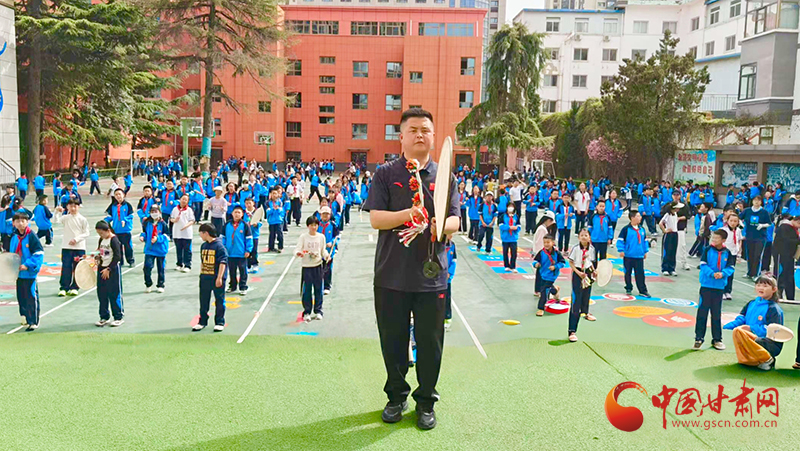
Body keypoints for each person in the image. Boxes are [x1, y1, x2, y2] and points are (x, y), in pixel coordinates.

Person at [361, 108, 460, 431]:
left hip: (432, 277)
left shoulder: (445, 176)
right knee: (393, 341)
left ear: (433, 136)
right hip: (391, 275)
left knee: (430, 344)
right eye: (413, 129)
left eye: (425, 130)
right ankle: (396, 397)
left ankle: (426, 401)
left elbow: (456, 220)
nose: (420, 135)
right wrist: (409, 215)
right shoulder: (385, 174)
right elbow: (376, 218)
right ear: (401, 136)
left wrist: (440, 225)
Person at [724, 276, 784, 371]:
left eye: (765, 286)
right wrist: (726, 327)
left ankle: (767, 359)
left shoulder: (774, 309)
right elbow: (741, 319)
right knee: (737, 331)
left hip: (769, 343)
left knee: (739, 332)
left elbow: (774, 330)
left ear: (774, 289)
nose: (760, 288)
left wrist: (751, 328)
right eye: (758, 285)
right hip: (752, 338)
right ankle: (752, 360)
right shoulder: (751, 303)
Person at [693, 229, 735, 351]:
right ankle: (698, 338)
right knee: (702, 312)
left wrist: (723, 274)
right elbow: (703, 264)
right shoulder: (707, 250)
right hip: (706, 285)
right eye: (713, 237)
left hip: (719, 287)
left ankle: (717, 339)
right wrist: (712, 274)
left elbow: (731, 267)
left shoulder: (728, 253)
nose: (714, 240)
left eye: (717, 238)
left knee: (716, 313)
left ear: (723, 240)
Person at [11, 212, 44, 330]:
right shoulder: (14, 237)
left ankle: (33, 321)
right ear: (13, 223)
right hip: (18, 273)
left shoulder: (31, 236)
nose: (20, 223)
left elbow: (39, 253)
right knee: (21, 297)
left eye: (23, 221)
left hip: (29, 273)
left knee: (31, 296)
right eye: (17, 221)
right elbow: (11, 254)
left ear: (27, 222)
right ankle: (24, 317)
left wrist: (27, 264)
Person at [194, 223, 228, 332]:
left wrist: (219, 278)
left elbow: (223, 263)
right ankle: (202, 321)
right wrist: (201, 273)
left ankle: (219, 322)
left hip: (216, 277)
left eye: (201, 233)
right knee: (203, 300)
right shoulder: (203, 246)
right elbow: (203, 261)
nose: (200, 236)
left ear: (206, 233)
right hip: (205, 277)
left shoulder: (219, 246)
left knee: (219, 300)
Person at [296, 215, 329, 322]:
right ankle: (307, 312)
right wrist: (299, 253)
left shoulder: (321, 237)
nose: (313, 227)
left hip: (318, 266)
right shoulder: (303, 237)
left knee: (318, 289)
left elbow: (323, 250)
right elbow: (297, 249)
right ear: (308, 226)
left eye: (315, 225)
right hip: (306, 267)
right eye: (311, 225)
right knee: (307, 291)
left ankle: (318, 311)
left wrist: (327, 256)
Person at [55, 199, 90, 297]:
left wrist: (76, 239)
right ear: (67, 207)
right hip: (66, 247)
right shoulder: (65, 218)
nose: (73, 208)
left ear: (79, 207)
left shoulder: (82, 219)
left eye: (75, 206)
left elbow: (86, 232)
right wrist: (56, 212)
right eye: (71, 206)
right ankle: (64, 287)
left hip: (79, 247)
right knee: (66, 267)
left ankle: (75, 287)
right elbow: (55, 221)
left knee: (78, 268)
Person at [93, 221, 125, 327]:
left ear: (108, 230)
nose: (100, 235)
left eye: (101, 233)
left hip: (112, 270)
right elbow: (101, 252)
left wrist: (109, 269)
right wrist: (97, 257)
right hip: (101, 268)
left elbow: (118, 256)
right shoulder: (101, 240)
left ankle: (118, 317)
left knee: (114, 293)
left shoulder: (114, 240)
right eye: (99, 233)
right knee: (102, 294)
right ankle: (104, 317)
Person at [567, 228, 596, 342]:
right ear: (578, 237)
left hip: (587, 273)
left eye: (586, 235)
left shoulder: (592, 249)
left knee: (586, 296)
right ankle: (572, 331)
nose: (584, 237)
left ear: (589, 237)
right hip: (578, 273)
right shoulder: (575, 249)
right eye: (582, 235)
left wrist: (593, 270)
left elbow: (590, 261)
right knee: (576, 302)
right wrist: (578, 273)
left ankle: (586, 313)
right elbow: (571, 262)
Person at [616, 210, 651, 297]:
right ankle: (628, 287)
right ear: (632, 218)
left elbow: (645, 241)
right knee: (627, 273)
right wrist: (621, 250)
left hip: (639, 256)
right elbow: (620, 240)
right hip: (628, 255)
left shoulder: (642, 229)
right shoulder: (626, 229)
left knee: (640, 274)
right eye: (638, 216)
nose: (640, 218)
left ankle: (642, 290)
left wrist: (645, 251)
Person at [223, 206, 253, 295]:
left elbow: (249, 239)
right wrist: (223, 248)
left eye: (239, 212)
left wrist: (248, 250)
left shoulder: (245, 225)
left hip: (241, 253)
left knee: (243, 271)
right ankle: (232, 286)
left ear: (242, 214)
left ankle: (243, 287)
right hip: (230, 253)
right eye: (235, 212)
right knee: (232, 271)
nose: (237, 214)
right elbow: (222, 237)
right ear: (232, 213)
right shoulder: (227, 225)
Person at [533, 234, 566, 316]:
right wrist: (536, 264)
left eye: (548, 242)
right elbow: (535, 261)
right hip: (542, 274)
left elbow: (562, 263)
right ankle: (555, 290)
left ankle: (541, 308)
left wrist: (555, 267)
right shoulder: (541, 252)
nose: (546, 244)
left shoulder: (557, 253)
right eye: (544, 242)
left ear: (553, 242)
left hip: (552, 275)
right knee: (547, 288)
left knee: (544, 291)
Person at [740, 195, 771, 280]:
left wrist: (762, 225)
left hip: (760, 237)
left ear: (761, 202)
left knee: (757, 255)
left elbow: (769, 223)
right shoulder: (747, 211)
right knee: (750, 255)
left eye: (758, 200)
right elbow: (739, 218)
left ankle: (756, 274)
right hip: (749, 236)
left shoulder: (764, 212)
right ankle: (749, 273)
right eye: (755, 200)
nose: (756, 202)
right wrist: (741, 225)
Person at [140, 204, 169, 293]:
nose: (154, 213)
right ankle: (148, 284)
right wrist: (142, 236)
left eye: (156, 211)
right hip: (150, 249)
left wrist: (158, 238)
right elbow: (144, 232)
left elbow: (167, 236)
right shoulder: (146, 223)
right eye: (152, 212)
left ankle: (160, 285)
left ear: (159, 212)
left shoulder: (163, 223)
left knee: (161, 268)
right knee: (147, 267)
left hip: (160, 249)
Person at [104, 189, 136, 267]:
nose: (118, 196)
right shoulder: (113, 206)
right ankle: (120, 261)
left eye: (119, 194)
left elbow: (131, 215)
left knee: (128, 247)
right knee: (118, 248)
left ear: (123, 195)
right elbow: (110, 216)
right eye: (116, 194)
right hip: (116, 230)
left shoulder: (127, 205)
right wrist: (105, 221)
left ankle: (130, 260)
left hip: (125, 230)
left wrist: (125, 220)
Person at [773, 214, 800, 301]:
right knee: (780, 274)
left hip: (789, 255)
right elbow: (786, 240)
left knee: (789, 275)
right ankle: (777, 293)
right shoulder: (784, 227)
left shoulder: (794, 229)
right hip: (781, 254)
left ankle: (790, 296)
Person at [170, 193, 195, 272]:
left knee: (187, 250)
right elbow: (171, 219)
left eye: (186, 200)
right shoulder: (175, 209)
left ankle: (187, 265)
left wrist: (186, 226)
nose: (184, 201)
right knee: (179, 249)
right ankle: (179, 264)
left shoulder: (189, 210)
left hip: (187, 233)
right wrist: (174, 220)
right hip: (177, 232)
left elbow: (192, 220)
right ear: (180, 199)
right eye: (183, 199)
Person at [721, 213, 743, 300]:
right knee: (723, 272)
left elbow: (739, 240)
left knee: (730, 273)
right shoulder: (723, 230)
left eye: (735, 221)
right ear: (727, 221)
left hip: (733, 254)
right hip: (724, 253)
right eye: (731, 221)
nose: (733, 223)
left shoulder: (738, 231)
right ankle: (722, 291)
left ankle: (728, 291)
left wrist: (739, 252)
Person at [317, 206, 338, 294]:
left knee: (327, 269)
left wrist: (332, 242)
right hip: (318, 250)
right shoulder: (317, 225)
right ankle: (318, 285)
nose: (325, 216)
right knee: (318, 269)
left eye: (327, 214)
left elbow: (336, 237)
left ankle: (327, 286)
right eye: (323, 214)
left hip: (329, 251)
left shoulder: (333, 225)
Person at [659, 203, 680, 276]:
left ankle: (672, 268)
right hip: (669, 234)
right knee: (667, 251)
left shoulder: (676, 214)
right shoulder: (667, 215)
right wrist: (665, 230)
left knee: (673, 251)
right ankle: (665, 268)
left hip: (675, 234)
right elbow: (660, 223)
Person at [499, 202, 520, 272]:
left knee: (514, 253)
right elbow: (501, 226)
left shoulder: (516, 216)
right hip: (505, 237)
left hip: (513, 238)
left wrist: (516, 228)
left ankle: (513, 266)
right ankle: (506, 265)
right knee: (505, 252)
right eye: (509, 206)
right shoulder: (503, 216)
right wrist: (509, 227)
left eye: (512, 206)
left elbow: (519, 226)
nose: (511, 208)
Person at [244, 197, 262, 273]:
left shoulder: (257, 212)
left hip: (254, 235)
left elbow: (260, 222)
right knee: (247, 250)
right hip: (246, 235)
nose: (248, 205)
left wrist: (257, 224)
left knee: (254, 250)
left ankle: (255, 264)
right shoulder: (244, 212)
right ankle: (248, 265)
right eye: (246, 203)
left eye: (249, 203)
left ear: (253, 203)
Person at [266, 187, 285, 253]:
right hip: (271, 221)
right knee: (272, 235)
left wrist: (278, 209)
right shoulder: (268, 202)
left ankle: (280, 247)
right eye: (273, 193)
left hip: (278, 220)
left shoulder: (280, 202)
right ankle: (271, 247)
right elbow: (268, 212)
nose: (274, 195)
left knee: (280, 234)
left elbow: (282, 211)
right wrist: (273, 209)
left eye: (275, 193)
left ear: (278, 194)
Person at [444, 238, 456, 330]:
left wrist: (449, 273)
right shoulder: (437, 243)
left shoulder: (452, 245)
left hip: (447, 279)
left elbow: (454, 261)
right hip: (437, 278)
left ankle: (447, 318)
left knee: (447, 299)